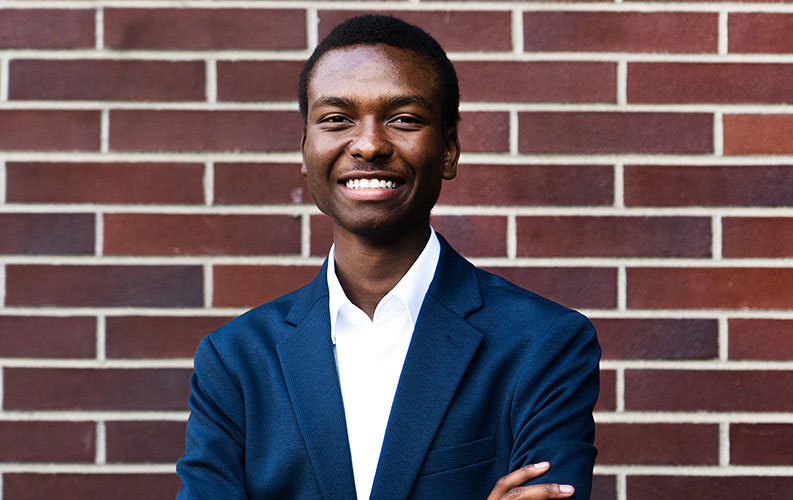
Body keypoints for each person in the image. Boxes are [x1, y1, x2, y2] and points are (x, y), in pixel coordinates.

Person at [176, 14, 600, 500]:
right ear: (306, 149)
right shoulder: (235, 360)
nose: (370, 145)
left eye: (403, 119)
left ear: (449, 149)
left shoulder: (543, 343)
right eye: (337, 119)